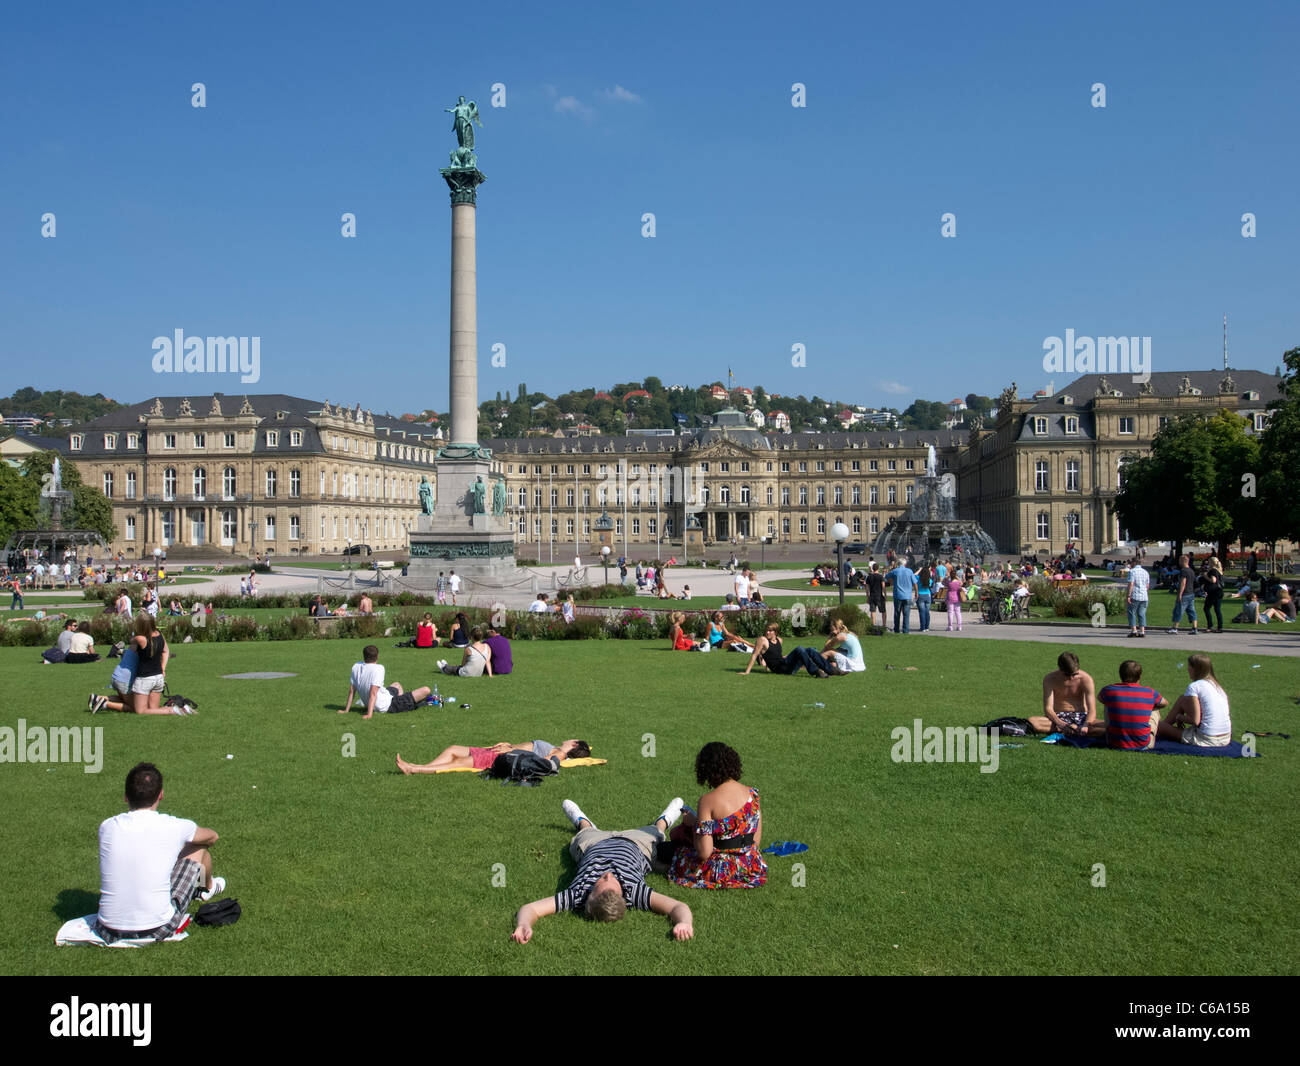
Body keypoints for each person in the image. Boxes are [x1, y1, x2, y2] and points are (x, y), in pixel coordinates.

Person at [510, 797, 694, 943]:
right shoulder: (635, 892)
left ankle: (582, 820)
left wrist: (523, 923)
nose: (607, 875)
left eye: (599, 882)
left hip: (592, 844)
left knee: (584, 831)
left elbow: (531, 908)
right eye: (611, 882)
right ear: (623, 896)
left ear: (590, 895)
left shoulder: (578, 893)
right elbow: (678, 906)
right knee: (657, 832)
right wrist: (684, 922)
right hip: (637, 843)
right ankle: (665, 819)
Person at [94, 762, 226, 944]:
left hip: (107, 929)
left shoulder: (107, 827)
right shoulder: (174, 826)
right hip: (157, 928)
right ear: (161, 795)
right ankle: (207, 888)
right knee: (199, 848)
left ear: (125, 796)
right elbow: (212, 837)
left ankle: (204, 887)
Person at [667, 742, 766, 890]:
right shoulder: (753, 794)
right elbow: (755, 842)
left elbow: (704, 853)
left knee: (673, 852)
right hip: (750, 865)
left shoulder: (707, 801)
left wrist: (694, 825)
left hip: (721, 872)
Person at [1155, 654, 1232, 747]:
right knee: (1182, 699)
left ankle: (1162, 729)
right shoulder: (1217, 686)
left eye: (1189, 667)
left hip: (1207, 738)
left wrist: (1179, 717)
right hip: (1226, 737)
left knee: (1157, 726)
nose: (1188, 669)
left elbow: (1195, 720)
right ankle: (1164, 727)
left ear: (1196, 669)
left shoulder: (1195, 686)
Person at [396, 738, 589, 775]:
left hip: (498, 758)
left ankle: (414, 769)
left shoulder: (560, 753)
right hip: (501, 750)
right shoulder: (556, 748)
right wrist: (509, 745)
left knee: (456, 762)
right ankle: (421, 765)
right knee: (453, 749)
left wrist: (512, 751)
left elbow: (543, 762)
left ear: (574, 744)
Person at [342, 644, 431, 719]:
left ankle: (402, 701)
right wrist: (369, 714)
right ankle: (402, 705)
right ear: (377, 656)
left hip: (383, 697)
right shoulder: (378, 668)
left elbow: (352, 692)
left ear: (364, 656)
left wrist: (346, 710)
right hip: (387, 706)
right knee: (426, 690)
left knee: (397, 684)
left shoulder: (356, 666)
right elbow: (373, 693)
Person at [1099, 660, 1168, 750]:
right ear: (1140, 676)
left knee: (1108, 703)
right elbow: (1164, 703)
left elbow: (1100, 698)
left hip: (1114, 742)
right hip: (1143, 744)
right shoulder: (1150, 692)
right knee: (1155, 707)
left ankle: (1116, 731)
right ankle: (1149, 731)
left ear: (1120, 675)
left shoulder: (1108, 690)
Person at [1028, 652, 1098, 736]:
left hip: (1081, 716)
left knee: (1109, 725)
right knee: (1032, 721)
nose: (1071, 678)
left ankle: (1075, 729)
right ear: (1060, 668)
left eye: (1074, 674)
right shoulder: (1050, 679)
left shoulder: (1086, 679)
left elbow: (1092, 709)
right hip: (1058, 716)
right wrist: (1060, 723)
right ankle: (1074, 729)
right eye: (1067, 675)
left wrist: (1086, 725)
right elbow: (1048, 708)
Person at [743, 623, 834, 677]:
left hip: (787, 667)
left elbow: (773, 656)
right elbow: (755, 655)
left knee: (809, 650)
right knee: (799, 649)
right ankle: (816, 671)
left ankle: (830, 670)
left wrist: (767, 668)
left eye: (770, 631)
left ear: (775, 632)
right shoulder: (762, 640)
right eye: (767, 630)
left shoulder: (779, 640)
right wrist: (747, 672)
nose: (767, 632)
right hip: (780, 669)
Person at [128, 613, 175, 716]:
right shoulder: (160, 635)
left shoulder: (141, 639)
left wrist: (134, 635)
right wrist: (163, 668)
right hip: (158, 677)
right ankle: (174, 709)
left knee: (140, 711)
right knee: (153, 709)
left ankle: (171, 710)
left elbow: (131, 641)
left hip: (145, 678)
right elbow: (166, 651)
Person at [90, 640, 141, 714]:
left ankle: (98, 698)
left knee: (123, 699)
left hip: (116, 676)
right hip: (124, 681)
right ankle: (105, 704)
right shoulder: (143, 648)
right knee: (135, 707)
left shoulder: (133, 645)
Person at [1167, 554, 1199, 635]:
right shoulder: (1191, 571)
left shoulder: (1183, 571)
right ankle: (1194, 628)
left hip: (1185, 594)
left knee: (1178, 610)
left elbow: (1183, 583)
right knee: (1192, 611)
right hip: (1191, 593)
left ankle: (1175, 628)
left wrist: (1180, 594)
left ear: (1182, 561)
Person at [886, 557, 917, 634]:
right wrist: (916, 592)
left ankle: (896, 629)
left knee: (897, 613)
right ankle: (905, 630)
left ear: (898, 564)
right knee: (906, 614)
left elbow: (886, 577)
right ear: (905, 564)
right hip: (907, 595)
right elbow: (915, 583)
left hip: (898, 595)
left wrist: (891, 582)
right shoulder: (909, 571)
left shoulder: (895, 571)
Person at [1126, 560, 1150, 637]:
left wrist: (1128, 595)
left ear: (1134, 563)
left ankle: (1134, 630)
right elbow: (1147, 586)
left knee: (1131, 612)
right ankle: (1142, 631)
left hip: (1135, 595)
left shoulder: (1132, 571)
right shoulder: (1145, 572)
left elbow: (1131, 583)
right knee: (1142, 613)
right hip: (1144, 596)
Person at [1200, 566, 1225, 633]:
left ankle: (1210, 626)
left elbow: (1213, 580)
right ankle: (1220, 627)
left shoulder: (1213, 571)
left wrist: (1205, 576)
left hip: (1213, 592)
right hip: (1218, 591)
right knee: (1217, 610)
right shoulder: (1219, 571)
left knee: (1206, 608)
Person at [865, 562, 886, 628]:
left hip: (872, 595)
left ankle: (873, 624)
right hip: (879, 595)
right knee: (883, 611)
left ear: (872, 569)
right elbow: (883, 587)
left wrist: (868, 597)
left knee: (873, 611)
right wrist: (885, 595)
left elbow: (867, 588)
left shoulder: (869, 577)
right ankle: (884, 624)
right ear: (878, 569)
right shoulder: (880, 577)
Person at [915, 564, 934, 632]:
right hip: (928, 595)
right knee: (927, 612)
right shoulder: (929, 580)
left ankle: (922, 627)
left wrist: (920, 570)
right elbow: (931, 578)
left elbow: (913, 575)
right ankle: (927, 627)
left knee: (922, 612)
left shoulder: (918, 578)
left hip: (920, 595)